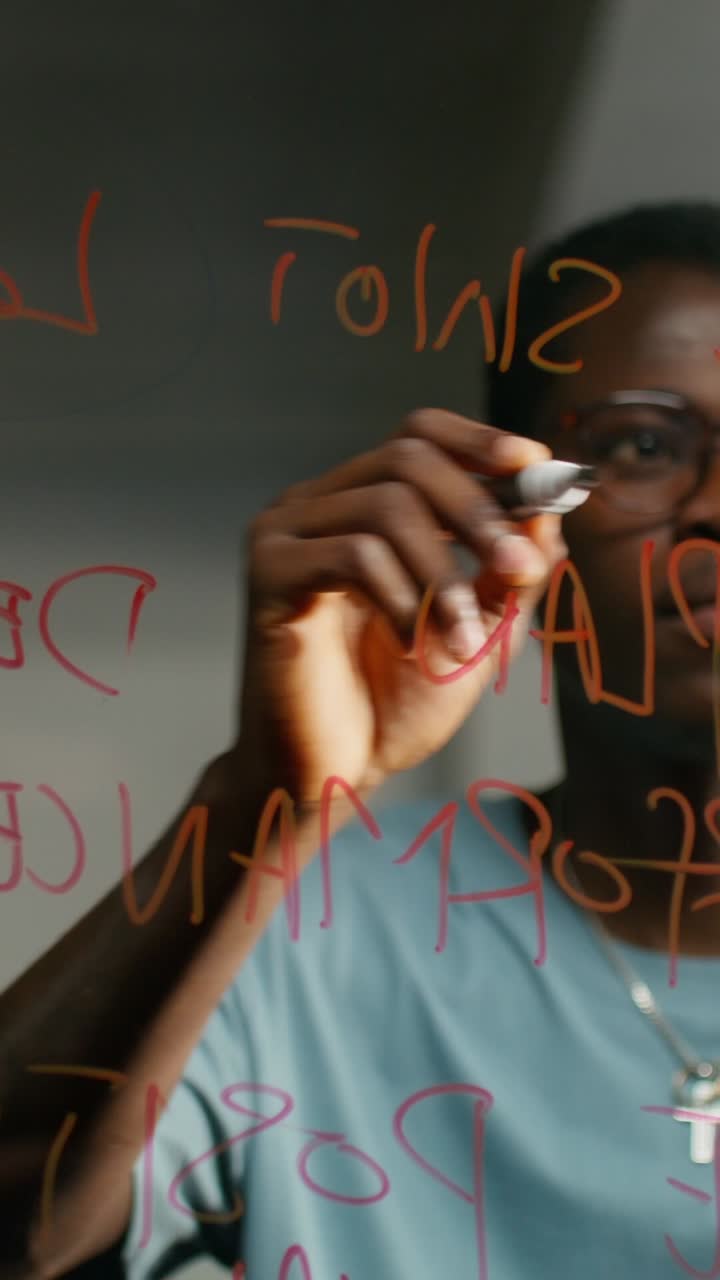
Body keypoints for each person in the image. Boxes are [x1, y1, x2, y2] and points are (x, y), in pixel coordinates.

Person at [3, 199, 720, 1280]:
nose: (715, 509)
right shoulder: (301, 926)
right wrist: (267, 796)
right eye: (644, 446)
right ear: (524, 523)